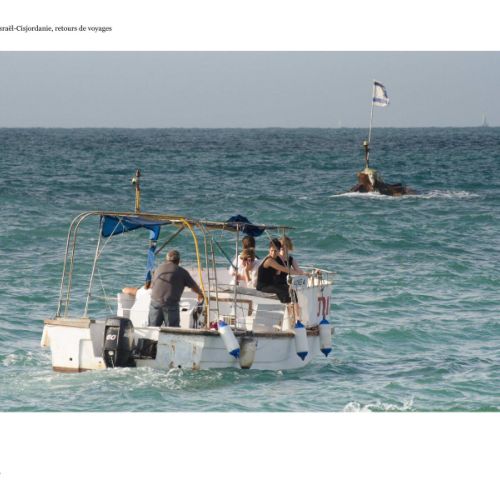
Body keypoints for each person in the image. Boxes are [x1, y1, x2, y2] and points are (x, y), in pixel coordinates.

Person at [148, 249, 204, 327]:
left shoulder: (158, 269)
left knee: (152, 328)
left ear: (166, 260)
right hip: (170, 305)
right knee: (172, 330)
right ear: (178, 260)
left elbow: (152, 285)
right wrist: (200, 294)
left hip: (155, 303)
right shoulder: (182, 272)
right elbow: (193, 287)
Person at [256, 239, 303, 305]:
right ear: (269, 250)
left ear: (278, 251)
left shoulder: (275, 259)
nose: (273, 253)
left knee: (290, 290)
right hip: (263, 286)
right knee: (283, 291)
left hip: (270, 284)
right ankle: (288, 306)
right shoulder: (269, 260)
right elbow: (285, 269)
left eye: (275, 251)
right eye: (271, 250)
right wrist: (298, 273)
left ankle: (295, 307)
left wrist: (302, 273)